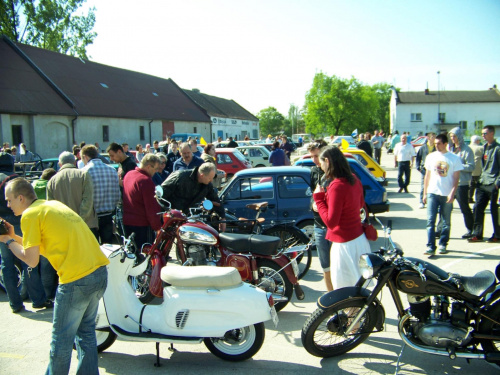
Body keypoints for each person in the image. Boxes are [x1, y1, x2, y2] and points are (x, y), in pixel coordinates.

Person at [1, 177, 108, 374]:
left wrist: (8, 242)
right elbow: (43, 247)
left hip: (76, 280)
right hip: (99, 272)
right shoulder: (51, 206)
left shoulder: (30, 215)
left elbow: (30, 260)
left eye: (9, 200)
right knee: (86, 335)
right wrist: (14, 236)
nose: (7, 205)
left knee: (61, 342)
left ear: (21, 198)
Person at [313, 146, 371, 289]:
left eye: (322, 164)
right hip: (359, 240)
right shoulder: (354, 180)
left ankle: (351, 312)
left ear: (327, 161)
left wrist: (319, 200)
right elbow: (360, 204)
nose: (322, 168)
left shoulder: (336, 186)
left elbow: (331, 222)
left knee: (345, 290)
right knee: (361, 288)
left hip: (344, 244)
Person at [0, 153, 48, 313]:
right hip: (19, 219)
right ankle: (37, 299)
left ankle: (14, 303)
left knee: (7, 265)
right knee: (28, 260)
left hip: (2, 224)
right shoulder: (15, 180)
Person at [423, 134, 463, 256]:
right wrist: (425, 193)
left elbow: (456, 178)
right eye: (435, 143)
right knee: (430, 221)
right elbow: (427, 176)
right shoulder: (431, 157)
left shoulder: (454, 158)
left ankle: (443, 244)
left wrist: (452, 193)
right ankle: (430, 246)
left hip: (446, 194)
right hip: (432, 192)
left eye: (439, 143)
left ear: (446, 144)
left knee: (446, 221)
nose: (436, 146)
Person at [161, 163, 226, 231]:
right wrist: (164, 212)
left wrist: (222, 218)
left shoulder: (207, 185)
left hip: (187, 219)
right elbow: (162, 194)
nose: (211, 180)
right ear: (202, 175)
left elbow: (216, 200)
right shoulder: (180, 176)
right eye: (210, 178)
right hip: (171, 217)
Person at [81, 145, 120, 244]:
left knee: (93, 248)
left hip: (91, 217)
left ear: (85, 157)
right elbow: (117, 195)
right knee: (108, 247)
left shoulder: (84, 172)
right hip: (108, 215)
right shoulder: (111, 170)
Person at [123, 154, 163, 251]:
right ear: (148, 166)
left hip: (127, 222)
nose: (156, 171)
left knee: (132, 255)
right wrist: (157, 227)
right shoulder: (145, 181)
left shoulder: (129, 174)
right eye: (156, 168)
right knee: (146, 257)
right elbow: (151, 208)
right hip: (142, 226)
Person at [308, 140, 333, 291]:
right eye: (311, 156)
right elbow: (313, 194)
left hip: (334, 226)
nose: (314, 160)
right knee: (326, 267)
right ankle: (333, 300)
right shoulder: (313, 171)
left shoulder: (335, 174)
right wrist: (313, 203)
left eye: (317, 156)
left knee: (339, 267)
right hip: (318, 225)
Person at [469, 126, 500, 243]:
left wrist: (498, 183)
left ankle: (497, 234)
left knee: (494, 210)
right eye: (482, 134)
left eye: (485, 133)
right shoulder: (484, 148)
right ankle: (477, 234)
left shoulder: (498, 148)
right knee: (477, 207)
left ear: (492, 133)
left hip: (493, 183)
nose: (483, 135)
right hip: (483, 182)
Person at [448, 127, 475, 239]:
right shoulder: (450, 149)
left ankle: (471, 229)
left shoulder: (466, 150)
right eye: (451, 137)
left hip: (461, 183)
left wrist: (458, 167)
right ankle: (440, 230)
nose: (452, 138)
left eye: (454, 136)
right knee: (446, 207)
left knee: (464, 207)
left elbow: (471, 166)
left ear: (459, 136)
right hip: (449, 183)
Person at [416, 133, 437, 208]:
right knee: (423, 185)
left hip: (434, 170)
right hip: (424, 169)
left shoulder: (436, 147)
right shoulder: (423, 147)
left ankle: (433, 202)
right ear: (428, 138)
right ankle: (422, 201)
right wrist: (418, 167)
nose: (434, 138)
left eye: (435, 136)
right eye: (432, 136)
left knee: (434, 185)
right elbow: (418, 157)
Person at [469, 135, 483, 203]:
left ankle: (469, 197)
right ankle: (478, 198)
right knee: (478, 185)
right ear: (477, 141)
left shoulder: (468, 147)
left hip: (468, 169)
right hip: (477, 169)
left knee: (471, 184)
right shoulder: (480, 148)